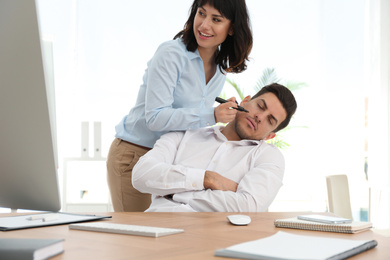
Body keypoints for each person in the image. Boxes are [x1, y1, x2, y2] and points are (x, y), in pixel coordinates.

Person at [107, 0, 253, 212]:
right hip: (136, 156)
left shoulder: (220, 69)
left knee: (171, 238)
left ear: (231, 28)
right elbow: (155, 118)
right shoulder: (171, 54)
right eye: (201, 14)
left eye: (216, 19)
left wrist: (221, 115)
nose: (203, 25)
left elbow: (192, 123)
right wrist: (212, 114)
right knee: (137, 238)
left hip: (172, 163)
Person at [132, 83, 297, 212]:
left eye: (270, 120)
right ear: (245, 101)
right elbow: (141, 175)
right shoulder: (187, 132)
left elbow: (249, 207)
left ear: (270, 136)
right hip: (156, 224)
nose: (260, 117)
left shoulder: (268, 156)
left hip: (211, 236)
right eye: (260, 106)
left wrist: (175, 192)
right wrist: (208, 179)